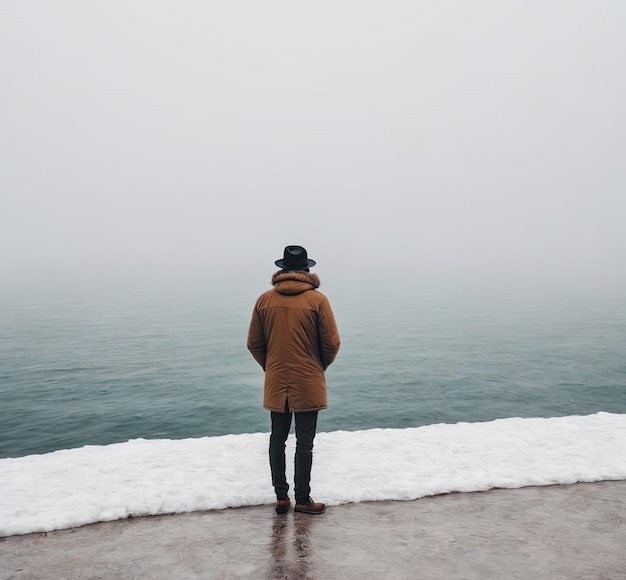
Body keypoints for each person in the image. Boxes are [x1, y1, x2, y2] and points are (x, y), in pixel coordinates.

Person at [247, 245, 340, 515]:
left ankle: (280, 498)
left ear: (282, 270)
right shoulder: (317, 301)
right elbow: (331, 343)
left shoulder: (264, 300)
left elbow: (254, 343)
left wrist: (272, 367)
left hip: (276, 379)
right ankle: (302, 499)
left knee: (277, 438)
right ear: (306, 270)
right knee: (305, 441)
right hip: (308, 378)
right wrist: (316, 367)